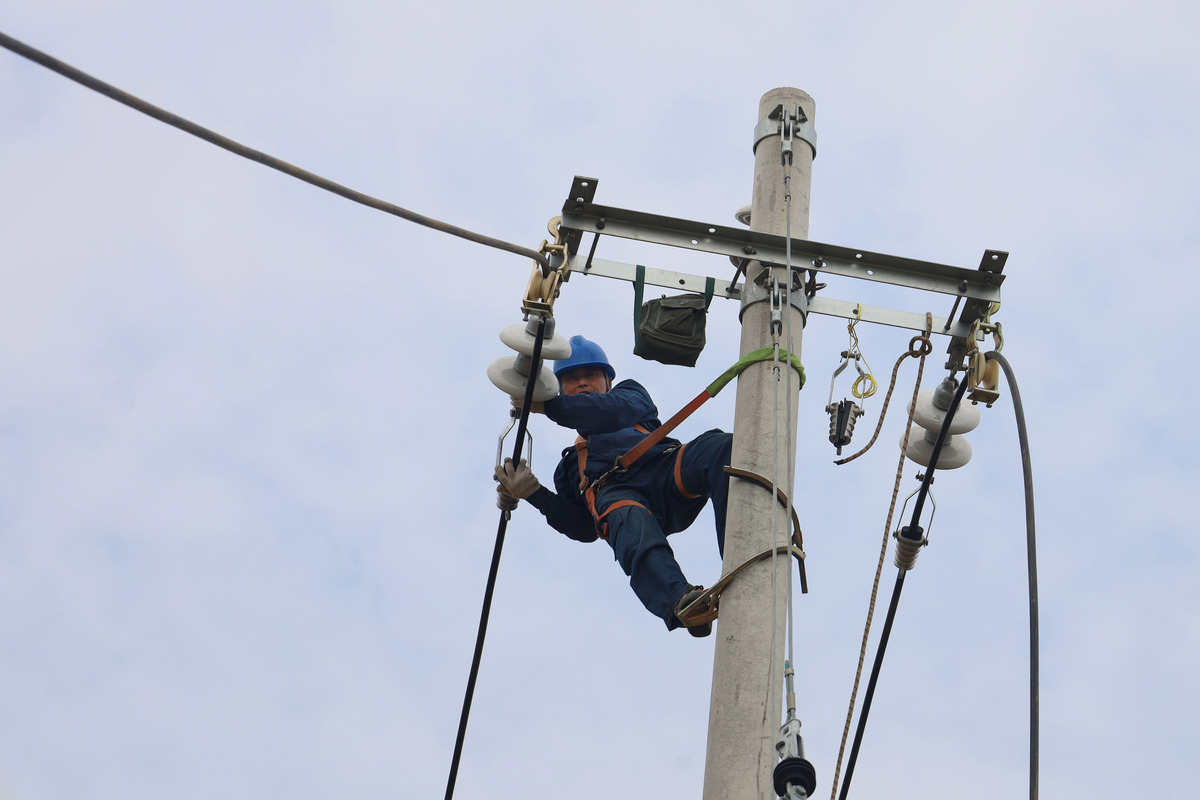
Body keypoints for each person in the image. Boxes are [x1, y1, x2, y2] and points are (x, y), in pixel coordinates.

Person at [494, 335, 732, 636]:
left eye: (590, 375)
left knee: (720, 448)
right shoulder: (570, 468)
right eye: (571, 378)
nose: (582, 382)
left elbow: (609, 410)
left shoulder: (631, 397)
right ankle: (681, 602)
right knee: (626, 517)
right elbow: (583, 528)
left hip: (665, 471)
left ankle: (739, 545)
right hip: (623, 501)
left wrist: (550, 406)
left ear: (608, 381)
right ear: (559, 387)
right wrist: (534, 494)